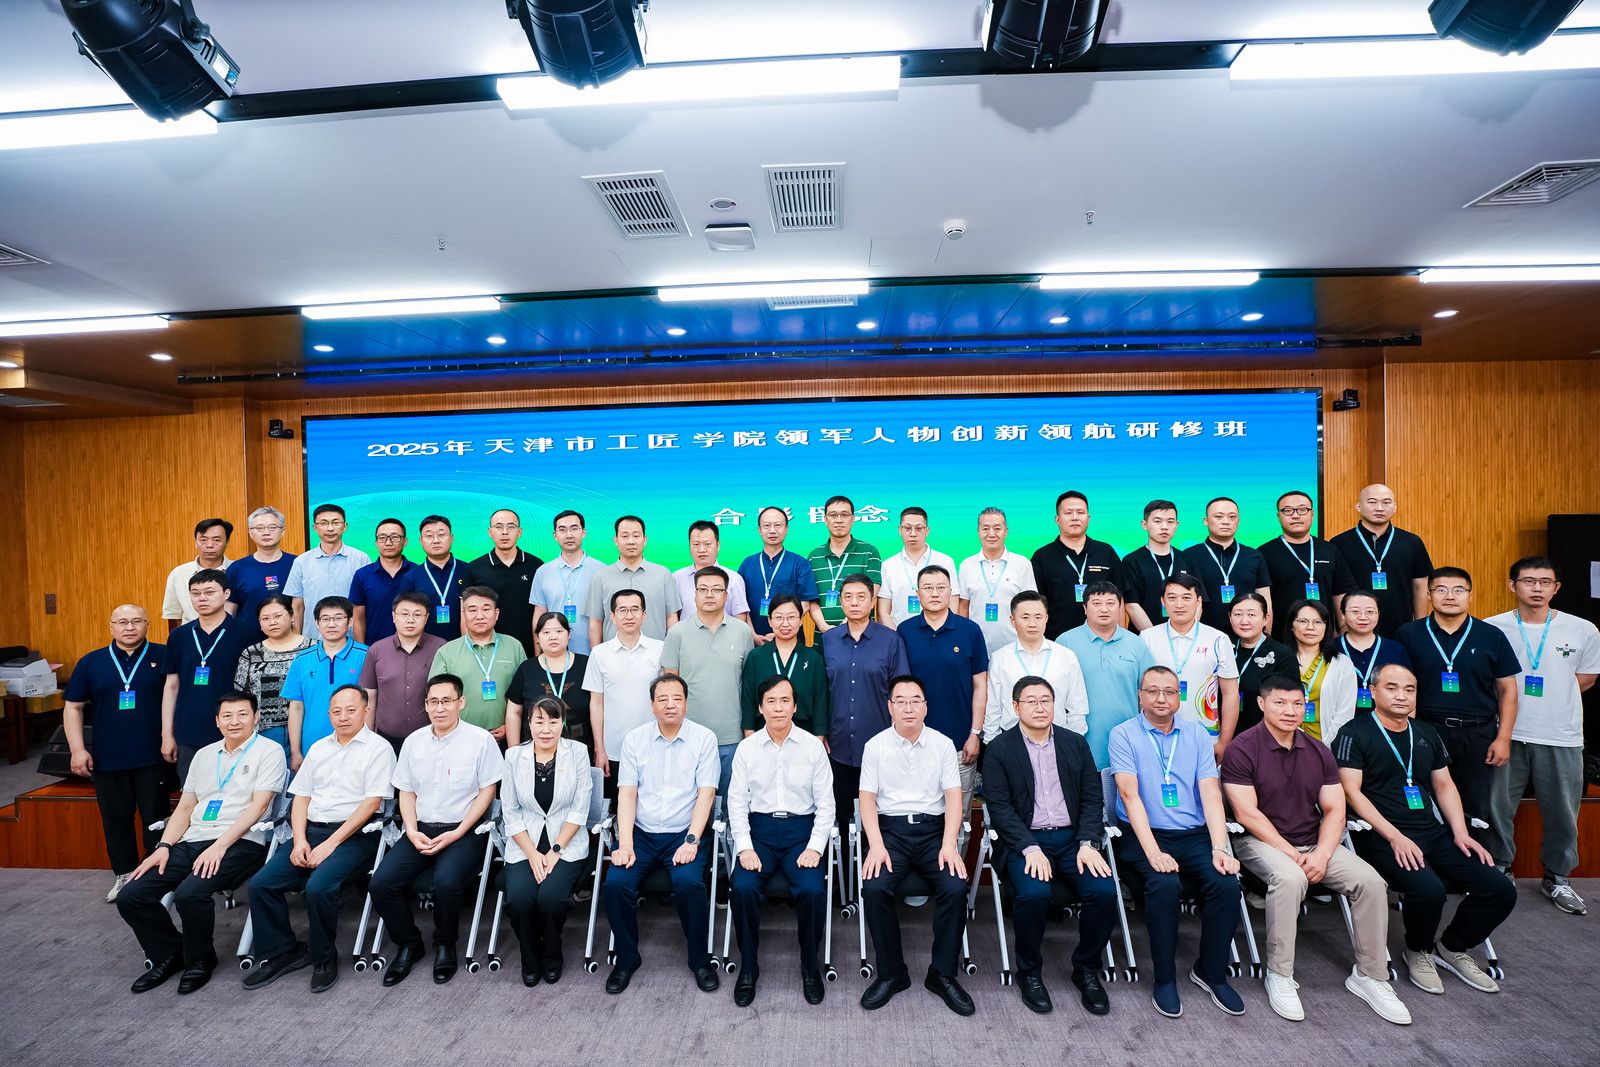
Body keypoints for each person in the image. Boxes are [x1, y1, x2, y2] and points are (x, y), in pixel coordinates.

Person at [1222, 675, 1411, 1025]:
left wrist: (1322, 854)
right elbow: (1247, 815)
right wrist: (1294, 856)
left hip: (1313, 841)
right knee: (1291, 879)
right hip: (1258, 841)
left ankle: (1370, 976)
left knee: (1371, 882)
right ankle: (1280, 974)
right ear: (1262, 704)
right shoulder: (1242, 748)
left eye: (1298, 704)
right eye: (1280, 703)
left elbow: (1335, 809)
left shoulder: (1319, 750)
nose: (1290, 711)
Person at [1334, 664, 1517, 996]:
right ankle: (1417, 949)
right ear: (1373, 692)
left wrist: (1460, 833)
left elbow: (1444, 785)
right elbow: (1351, 792)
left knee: (1499, 888)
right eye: (1392, 688)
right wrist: (1395, 837)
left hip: (1432, 832)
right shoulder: (1354, 733)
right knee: (1429, 890)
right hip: (1380, 836)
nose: (1401, 695)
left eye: (1409, 689)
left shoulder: (1426, 733)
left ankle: (1451, 946)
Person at [116, 692, 286, 994]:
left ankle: (200, 959)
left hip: (241, 841)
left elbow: (258, 807)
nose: (235, 722)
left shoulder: (269, 751)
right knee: (131, 895)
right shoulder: (204, 755)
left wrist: (220, 845)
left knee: (190, 893)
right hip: (193, 839)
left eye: (243, 714)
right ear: (217, 721)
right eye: (227, 716)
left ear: (256, 717)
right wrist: (163, 847)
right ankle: (170, 954)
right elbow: (184, 808)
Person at [1109, 665, 1244, 1019]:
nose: (1161, 698)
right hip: (1144, 834)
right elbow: (1129, 795)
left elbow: (1210, 792)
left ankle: (1211, 972)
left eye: (1169, 691)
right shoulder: (1123, 734)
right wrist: (1154, 852)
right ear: (1140, 695)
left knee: (1226, 884)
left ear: (1179, 696)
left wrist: (1220, 848)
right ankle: (1165, 978)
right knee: (1165, 885)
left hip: (1193, 834)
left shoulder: (1197, 733)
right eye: (1152, 691)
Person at [241, 685, 394, 993]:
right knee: (261, 884)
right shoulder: (319, 748)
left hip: (355, 835)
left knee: (319, 887)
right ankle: (283, 952)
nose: (343, 717)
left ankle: (323, 957)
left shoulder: (379, 748)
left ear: (366, 711)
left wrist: (331, 843)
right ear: (328, 714)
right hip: (311, 831)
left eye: (351, 710)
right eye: (336, 711)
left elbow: (371, 804)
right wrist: (299, 840)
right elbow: (301, 798)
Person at [982, 676, 1117, 1016]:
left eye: (1046, 700)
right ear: (1016, 707)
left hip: (1073, 841)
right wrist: (1029, 847)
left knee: (1104, 891)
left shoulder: (1075, 744)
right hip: (1025, 841)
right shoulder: (999, 749)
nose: (1040, 707)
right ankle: (1029, 972)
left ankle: (1086, 969)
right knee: (1033, 894)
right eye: (1031, 701)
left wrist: (1088, 842)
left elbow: (1091, 798)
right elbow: (999, 808)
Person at [371, 673, 503, 987]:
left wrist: (459, 832)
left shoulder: (480, 740)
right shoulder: (414, 742)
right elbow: (406, 791)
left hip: (464, 831)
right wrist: (411, 830)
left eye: (446, 701)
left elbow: (488, 791)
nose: (439, 708)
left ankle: (445, 944)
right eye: (433, 702)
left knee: (446, 882)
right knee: (381, 883)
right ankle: (409, 944)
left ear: (461, 702)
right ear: (426, 705)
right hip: (420, 829)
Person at [1486, 557, 1600, 912]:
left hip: (1560, 733)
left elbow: (1585, 678)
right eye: (1528, 581)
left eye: (1545, 582)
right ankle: (1500, 870)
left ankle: (1557, 878)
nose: (1536, 588)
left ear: (1556, 588)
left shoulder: (1583, 629)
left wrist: (1553, 699)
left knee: (1563, 813)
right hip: (1507, 733)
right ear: (1512, 585)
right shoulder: (1492, 628)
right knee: (1497, 808)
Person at [857, 676, 973, 1016]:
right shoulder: (875, 746)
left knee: (954, 886)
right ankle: (892, 973)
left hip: (933, 833)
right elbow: (867, 800)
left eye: (915, 700)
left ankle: (943, 974)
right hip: (890, 833)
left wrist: (949, 844)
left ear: (925, 706)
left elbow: (954, 798)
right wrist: (876, 845)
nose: (908, 707)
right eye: (901, 701)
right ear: (890, 707)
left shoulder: (942, 744)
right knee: (874, 887)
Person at [601, 674, 721, 995]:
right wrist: (625, 843)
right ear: (652, 705)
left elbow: (706, 794)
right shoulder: (634, 740)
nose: (670, 705)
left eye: (677, 698)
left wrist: (692, 840)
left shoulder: (704, 739)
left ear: (686, 703)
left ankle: (700, 960)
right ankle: (626, 959)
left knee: (689, 884)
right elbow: (627, 794)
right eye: (663, 699)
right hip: (641, 833)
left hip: (684, 832)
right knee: (615, 885)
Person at [726, 676, 835, 1006]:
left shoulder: (812, 747)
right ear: (760, 708)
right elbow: (736, 802)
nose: (778, 708)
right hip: (759, 833)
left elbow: (826, 804)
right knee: (743, 888)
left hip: (801, 834)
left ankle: (809, 967)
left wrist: (815, 846)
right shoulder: (747, 749)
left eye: (784, 700)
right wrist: (744, 847)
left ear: (795, 706)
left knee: (813, 890)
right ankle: (748, 967)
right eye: (771, 701)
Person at [1395, 567, 1520, 834]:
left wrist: (1504, 738)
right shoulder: (1409, 633)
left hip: (1478, 734)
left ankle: (1475, 858)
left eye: (1458, 590)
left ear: (1470, 596)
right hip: (1428, 730)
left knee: (1477, 809)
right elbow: (1400, 686)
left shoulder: (1491, 635)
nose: (1450, 596)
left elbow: (1508, 690)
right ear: (1429, 595)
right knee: (1425, 803)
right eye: (1441, 590)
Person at [63, 604, 169, 902]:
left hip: (153, 756)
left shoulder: (164, 656)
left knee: (156, 820)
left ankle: (155, 879)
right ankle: (124, 875)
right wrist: (77, 749)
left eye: (136, 621)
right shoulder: (91, 662)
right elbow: (73, 707)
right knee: (116, 820)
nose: (129, 627)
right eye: (122, 622)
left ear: (147, 624)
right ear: (111, 627)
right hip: (108, 758)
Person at [501, 696, 592, 986]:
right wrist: (531, 853)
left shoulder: (577, 752)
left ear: (562, 723)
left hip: (565, 843)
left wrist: (555, 851)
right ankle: (530, 958)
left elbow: (579, 810)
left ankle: (552, 955)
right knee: (520, 899)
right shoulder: (514, 756)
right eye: (539, 721)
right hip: (524, 844)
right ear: (529, 723)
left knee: (551, 899)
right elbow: (510, 811)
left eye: (553, 721)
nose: (546, 729)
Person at [895, 565, 988, 830]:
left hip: (960, 743)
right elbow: (899, 690)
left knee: (958, 820)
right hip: (914, 743)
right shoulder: (905, 631)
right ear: (917, 594)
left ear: (951, 592)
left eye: (940, 588)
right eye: (928, 588)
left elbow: (980, 685)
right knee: (917, 816)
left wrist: (975, 734)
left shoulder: (970, 631)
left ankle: (955, 859)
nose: (934, 593)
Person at [820, 574, 909, 842]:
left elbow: (901, 693)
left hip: (880, 746)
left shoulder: (891, 640)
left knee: (880, 820)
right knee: (841, 819)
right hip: (837, 747)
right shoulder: (829, 640)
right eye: (848, 597)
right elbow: (820, 691)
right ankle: (844, 869)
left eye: (861, 597)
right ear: (840, 602)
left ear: (872, 602)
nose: (854, 602)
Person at [662, 565, 755, 797]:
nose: (709, 595)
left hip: (731, 736)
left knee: (728, 803)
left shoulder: (742, 632)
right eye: (703, 589)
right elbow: (669, 686)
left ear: (726, 595)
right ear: (694, 594)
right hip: (687, 735)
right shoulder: (677, 633)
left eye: (717, 589)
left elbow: (748, 685)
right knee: (689, 802)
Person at [162, 568, 253, 781]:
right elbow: (171, 685)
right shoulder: (179, 636)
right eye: (195, 593)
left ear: (226, 594)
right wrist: (167, 734)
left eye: (209, 592)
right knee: (191, 792)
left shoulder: (246, 632)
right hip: (189, 730)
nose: (202, 598)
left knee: (234, 792)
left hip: (233, 729)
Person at [1140, 574, 1239, 758]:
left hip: (1205, 737)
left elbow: (1230, 693)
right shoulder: (1147, 637)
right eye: (1172, 598)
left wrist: (1225, 741)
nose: (1179, 604)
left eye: (1186, 597)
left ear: (1198, 601)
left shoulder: (1218, 639)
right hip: (1154, 735)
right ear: (1163, 602)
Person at [1058, 582, 1153, 767]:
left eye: (1110, 603)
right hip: (1078, 742)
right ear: (1085, 608)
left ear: (1120, 608)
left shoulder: (1136, 644)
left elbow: (1149, 692)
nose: (1104, 609)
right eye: (1096, 603)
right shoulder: (1065, 642)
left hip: (1128, 742)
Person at [584, 589, 665, 793]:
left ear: (644, 615)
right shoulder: (599, 653)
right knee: (616, 805)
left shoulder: (660, 649)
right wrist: (600, 748)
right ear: (613, 616)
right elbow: (596, 703)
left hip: (654, 746)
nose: (629, 616)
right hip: (614, 749)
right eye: (623, 610)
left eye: (635, 609)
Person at [982, 590, 1088, 743]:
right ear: (1012, 620)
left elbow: (1078, 707)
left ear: (1046, 618)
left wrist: (1072, 743)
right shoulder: (1000, 659)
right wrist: (992, 743)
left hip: (1057, 740)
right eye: (1025, 617)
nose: (1032, 624)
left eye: (1038, 617)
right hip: (1012, 742)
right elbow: (993, 708)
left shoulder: (1066, 657)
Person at [1330, 484, 1434, 638]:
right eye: (1372, 502)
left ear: (1395, 507)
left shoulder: (1411, 542)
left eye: (1386, 502)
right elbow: (1336, 589)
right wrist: (1343, 626)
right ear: (1358, 506)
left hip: (1401, 626)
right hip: (1355, 629)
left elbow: (1420, 585)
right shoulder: (1340, 543)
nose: (1379, 508)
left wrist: (1419, 626)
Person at [428, 586, 527, 738]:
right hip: (460, 737)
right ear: (464, 614)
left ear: (496, 613)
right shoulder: (447, 651)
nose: (479, 616)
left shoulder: (514, 646)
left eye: (486, 609)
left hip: (506, 735)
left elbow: (526, 693)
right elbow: (436, 698)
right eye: (472, 610)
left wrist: (510, 726)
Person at [283, 595, 368, 771]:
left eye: (338, 618)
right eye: (325, 619)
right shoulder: (302, 660)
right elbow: (296, 708)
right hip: (312, 747)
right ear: (316, 623)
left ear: (350, 621)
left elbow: (372, 703)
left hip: (356, 747)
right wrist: (296, 752)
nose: (331, 624)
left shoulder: (366, 656)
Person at [1257, 491, 1355, 642]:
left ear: (1312, 514)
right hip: (1281, 639)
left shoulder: (1330, 550)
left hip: (1324, 639)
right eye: (1288, 510)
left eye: (1302, 510)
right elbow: (1262, 601)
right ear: (1279, 516)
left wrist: (1343, 632)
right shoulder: (1264, 553)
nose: (1296, 515)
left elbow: (1342, 593)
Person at [358, 590, 446, 755]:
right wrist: (368, 739)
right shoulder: (376, 650)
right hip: (386, 740)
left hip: (431, 738)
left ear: (426, 618)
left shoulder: (441, 648)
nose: (410, 620)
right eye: (404, 614)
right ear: (393, 616)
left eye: (417, 614)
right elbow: (370, 697)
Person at [1031, 491, 1123, 642]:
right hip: (1056, 641)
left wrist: (1120, 638)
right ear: (1057, 519)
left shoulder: (1106, 552)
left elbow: (1120, 598)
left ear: (1088, 518)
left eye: (1080, 512)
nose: (1075, 517)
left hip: (1103, 640)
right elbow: (1035, 604)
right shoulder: (1042, 556)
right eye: (1068, 513)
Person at [585, 515, 682, 646]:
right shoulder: (601, 577)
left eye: (636, 536)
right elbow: (595, 622)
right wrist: (597, 655)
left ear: (645, 539)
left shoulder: (663, 574)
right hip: (613, 655)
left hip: (655, 654)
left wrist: (671, 654)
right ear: (616, 540)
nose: (631, 541)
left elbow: (671, 618)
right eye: (625, 536)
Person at [232, 594, 312, 750]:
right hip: (264, 733)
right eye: (265, 618)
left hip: (307, 727)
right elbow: (241, 695)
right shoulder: (250, 654)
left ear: (292, 616)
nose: (272, 622)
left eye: (278, 616)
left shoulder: (313, 649)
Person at [739, 594, 827, 736]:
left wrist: (819, 739)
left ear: (801, 620)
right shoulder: (756, 657)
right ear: (770, 621)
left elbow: (820, 705)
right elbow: (748, 702)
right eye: (779, 617)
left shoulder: (813, 658)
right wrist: (750, 738)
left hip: (804, 735)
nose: (785, 624)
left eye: (791, 617)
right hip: (763, 734)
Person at [955, 506, 1039, 651]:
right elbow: (963, 607)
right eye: (985, 528)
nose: (991, 534)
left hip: (1014, 645)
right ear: (978, 531)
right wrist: (963, 639)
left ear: (1006, 531)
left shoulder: (1022, 563)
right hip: (976, 646)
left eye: (997, 528)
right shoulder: (966, 565)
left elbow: (1030, 605)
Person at [506, 610, 591, 751]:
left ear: (569, 634)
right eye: (546, 632)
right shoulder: (527, 669)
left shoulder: (585, 665)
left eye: (559, 631)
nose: (553, 637)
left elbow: (598, 707)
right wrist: (514, 752)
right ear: (537, 637)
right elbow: (514, 712)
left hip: (580, 749)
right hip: (534, 750)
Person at [1187, 496, 1273, 633]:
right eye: (1219, 516)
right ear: (1206, 521)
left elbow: (1265, 601)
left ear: (1238, 521)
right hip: (1204, 636)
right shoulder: (1189, 556)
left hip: (1247, 636)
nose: (1226, 522)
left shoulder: (1254, 556)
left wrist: (1265, 638)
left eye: (1232, 517)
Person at [736, 505, 820, 641]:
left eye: (778, 525)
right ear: (759, 530)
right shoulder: (747, 564)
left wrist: (780, 632)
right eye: (767, 525)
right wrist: (752, 634)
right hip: (752, 639)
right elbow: (740, 604)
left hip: (791, 638)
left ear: (786, 529)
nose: (772, 530)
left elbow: (805, 603)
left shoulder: (800, 563)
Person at [468, 508, 545, 655]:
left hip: (528, 646)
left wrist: (539, 653)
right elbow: (466, 612)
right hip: (489, 647)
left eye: (511, 527)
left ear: (520, 532)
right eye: (498, 527)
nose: (504, 532)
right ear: (490, 532)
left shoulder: (536, 565)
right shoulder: (474, 568)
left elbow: (541, 612)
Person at [284, 503, 371, 633]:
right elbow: (298, 607)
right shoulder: (301, 561)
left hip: (351, 637)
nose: (330, 528)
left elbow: (367, 603)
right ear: (315, 527)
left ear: (345, 526)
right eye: (324, 523)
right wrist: (298, 640)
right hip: (313, 638)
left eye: (336, 523)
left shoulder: (361, 559)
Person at [530, 509, 605, 655]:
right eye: (563, 530)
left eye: (574, 529)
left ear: (584, 532)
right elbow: (539, 615)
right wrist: (538, 656)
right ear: (555, 535)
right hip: (553, 654)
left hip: (591, 653)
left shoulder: (601, 570)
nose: (569, 535)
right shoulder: (543, 571)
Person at [807, 495, 883, 635]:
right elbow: (812, 600)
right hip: (823, 636)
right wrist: (823, 627)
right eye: (833, 515)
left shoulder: (869, 552)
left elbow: (872, 593)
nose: (839, 520)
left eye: (844, 515)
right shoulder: (814, 556)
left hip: (862, 635)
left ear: (853, 519)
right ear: (825, 519)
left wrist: (846, 625)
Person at [1286, 598, 1358, 745]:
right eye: (1303, 621)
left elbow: (1345, 713)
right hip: (1284, 744)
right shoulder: (1280, 659)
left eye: (1318, 622)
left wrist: (1323, 747)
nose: (1310, 627)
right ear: (1291, 626)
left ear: (1326, 627)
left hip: (1327, 745)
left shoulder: (1341, 663)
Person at [1122, 500, 1196, 633]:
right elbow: (1131, 605)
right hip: (1145, 637)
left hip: (1184, 636)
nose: (1164, 527)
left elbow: (1198, 601)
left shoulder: (1187, 559)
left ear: (1177, 525)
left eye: (1170, 521)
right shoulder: (1132, 561)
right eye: (1157, 521)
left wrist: (1187, 632)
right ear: (1144, 524)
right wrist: (1155, 638)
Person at [226, 507, 296, 645]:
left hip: (290, 641)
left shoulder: (298, 563)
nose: (266, 532)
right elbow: (229, 610)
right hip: (247, 643)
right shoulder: (237, 568)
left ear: (282, 531)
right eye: (259, 528)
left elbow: (301, 607)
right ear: (250, 533)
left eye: (272, 527)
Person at [879, 506, 956, 630]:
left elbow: (953, 602)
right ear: (900, 530)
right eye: (907, 528)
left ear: (927, 530)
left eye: (919, 528)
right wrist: (896, 637)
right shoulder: (888, 565)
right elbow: (883, 611)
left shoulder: (945, 561)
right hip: (899, 634)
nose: (913, 534)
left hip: (939, 633)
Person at [395, 514, 470, 642]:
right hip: (424, 646)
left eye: (441, 534)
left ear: (451, 538)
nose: (436, 540)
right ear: (421, 541)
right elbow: (403, 616)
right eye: (429, 536)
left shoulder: (468, 571)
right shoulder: (411, 577)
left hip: (463, 644)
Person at [1339, 591, 1414, 716]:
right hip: (1341, 722)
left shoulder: (1395, 650)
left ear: (1378, 614)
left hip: (1387, 721)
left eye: (1370, 612)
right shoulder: (1331, 649)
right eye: (1355, 611)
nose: (1363, 617)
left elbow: (1409, 690)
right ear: (1342, 615)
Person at [1229, 593, 1295, 735]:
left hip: (1263, 736)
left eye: (1252, 615)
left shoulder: (1282, 654)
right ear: (1230, 617)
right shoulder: (1224, 648)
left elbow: (1289, 701)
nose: (1244, 621)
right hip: (1223, 733)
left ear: (1266, 619)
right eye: (1238, 614)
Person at [348, 517, 417, 646]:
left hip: (413, 648)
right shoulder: (362, 575)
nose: (388, 542)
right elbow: (358, 619)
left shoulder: (418, 573)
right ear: (376, 542)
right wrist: (362, 651)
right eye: (382, 538)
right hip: (374, 649)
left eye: (395, 537)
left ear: (405, 541)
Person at [672, 520, 752, 626]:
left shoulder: (734, 578)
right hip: (686, 636)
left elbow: (740, 617)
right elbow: (672, 615)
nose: (701, 549)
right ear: (689, 545)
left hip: (724, 636)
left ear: (718, 545)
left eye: (707, 544)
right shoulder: (676, 578)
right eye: (696, 544)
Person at [162, 518, 234, 633]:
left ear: (227, 542)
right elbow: (174, 616)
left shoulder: (238, 570)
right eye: (203, 540)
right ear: (196, 542)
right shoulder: (179, 574)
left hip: (232, 634)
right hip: (191, 636)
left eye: (217, 540)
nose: (209, 545)